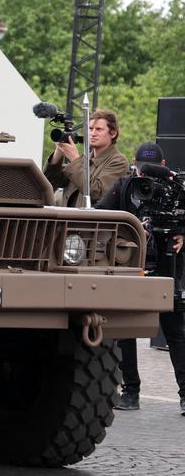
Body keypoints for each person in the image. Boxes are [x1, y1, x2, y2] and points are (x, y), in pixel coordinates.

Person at [96, 142, 185, 415]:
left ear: (164, 165)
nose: (148, 182)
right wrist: (126, 232)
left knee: (176, 333)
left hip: (168, 267)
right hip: (132, 266)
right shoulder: (125, 186)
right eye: (143, 172)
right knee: (125, 330)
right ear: (134, 165)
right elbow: (99, 213)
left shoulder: (176, 188)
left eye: (155, 171)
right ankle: (130, 392)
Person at [43, 108, 128, 207]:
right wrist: (59, 151)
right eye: (90, 129)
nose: (93, 133)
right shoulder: (85, 160)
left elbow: (97, 192)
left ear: (113, 133)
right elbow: (49, 183)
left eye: (99, 129)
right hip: (68, 219)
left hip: (93, 221)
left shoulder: (118, 162)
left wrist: (75, 159)